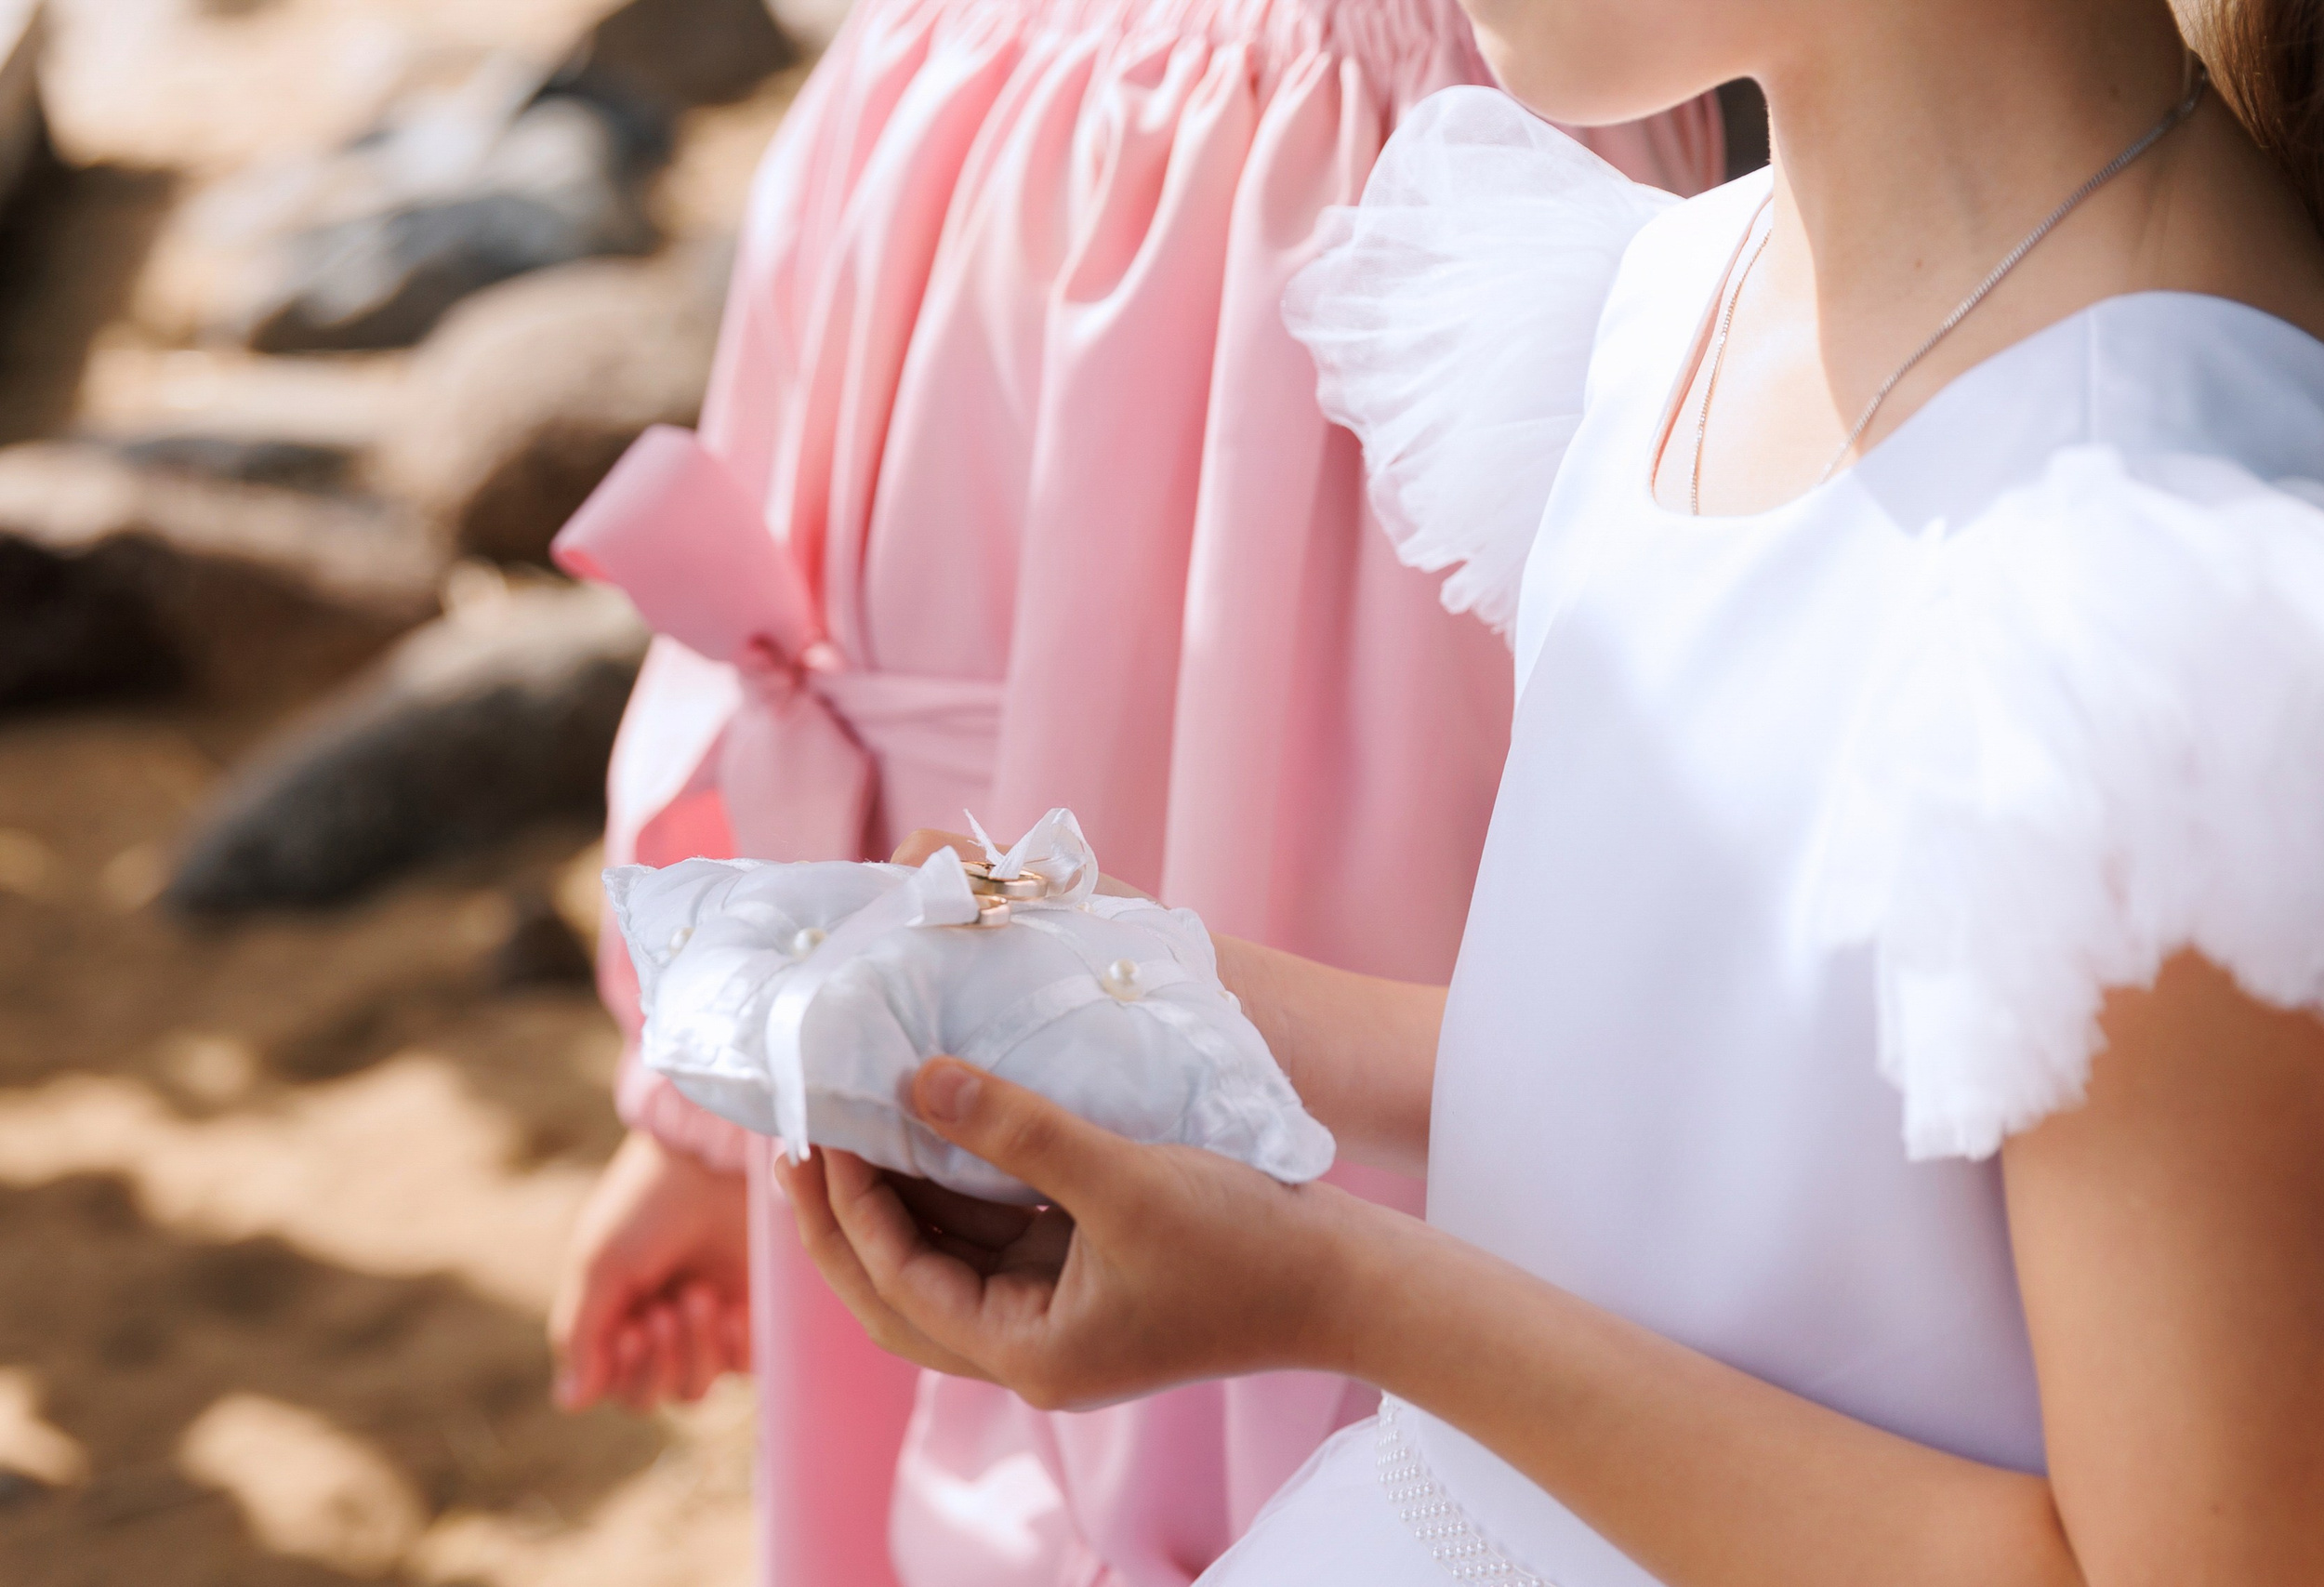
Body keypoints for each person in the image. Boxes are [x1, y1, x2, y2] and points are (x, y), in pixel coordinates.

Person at [782, 0, 2324, 1581]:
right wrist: (1133, 1001)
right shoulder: (1707, 290)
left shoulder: (2160, 630)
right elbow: (1742, 1106)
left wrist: (1335, 1292)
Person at [542, 0, 1726, 1583]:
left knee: (1321, 1137)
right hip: (1009, 130)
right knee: (958, 1197)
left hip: (1393, 186)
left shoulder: (1487, 114)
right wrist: (699, 1105)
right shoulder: (931, 84)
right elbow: (784, 639)